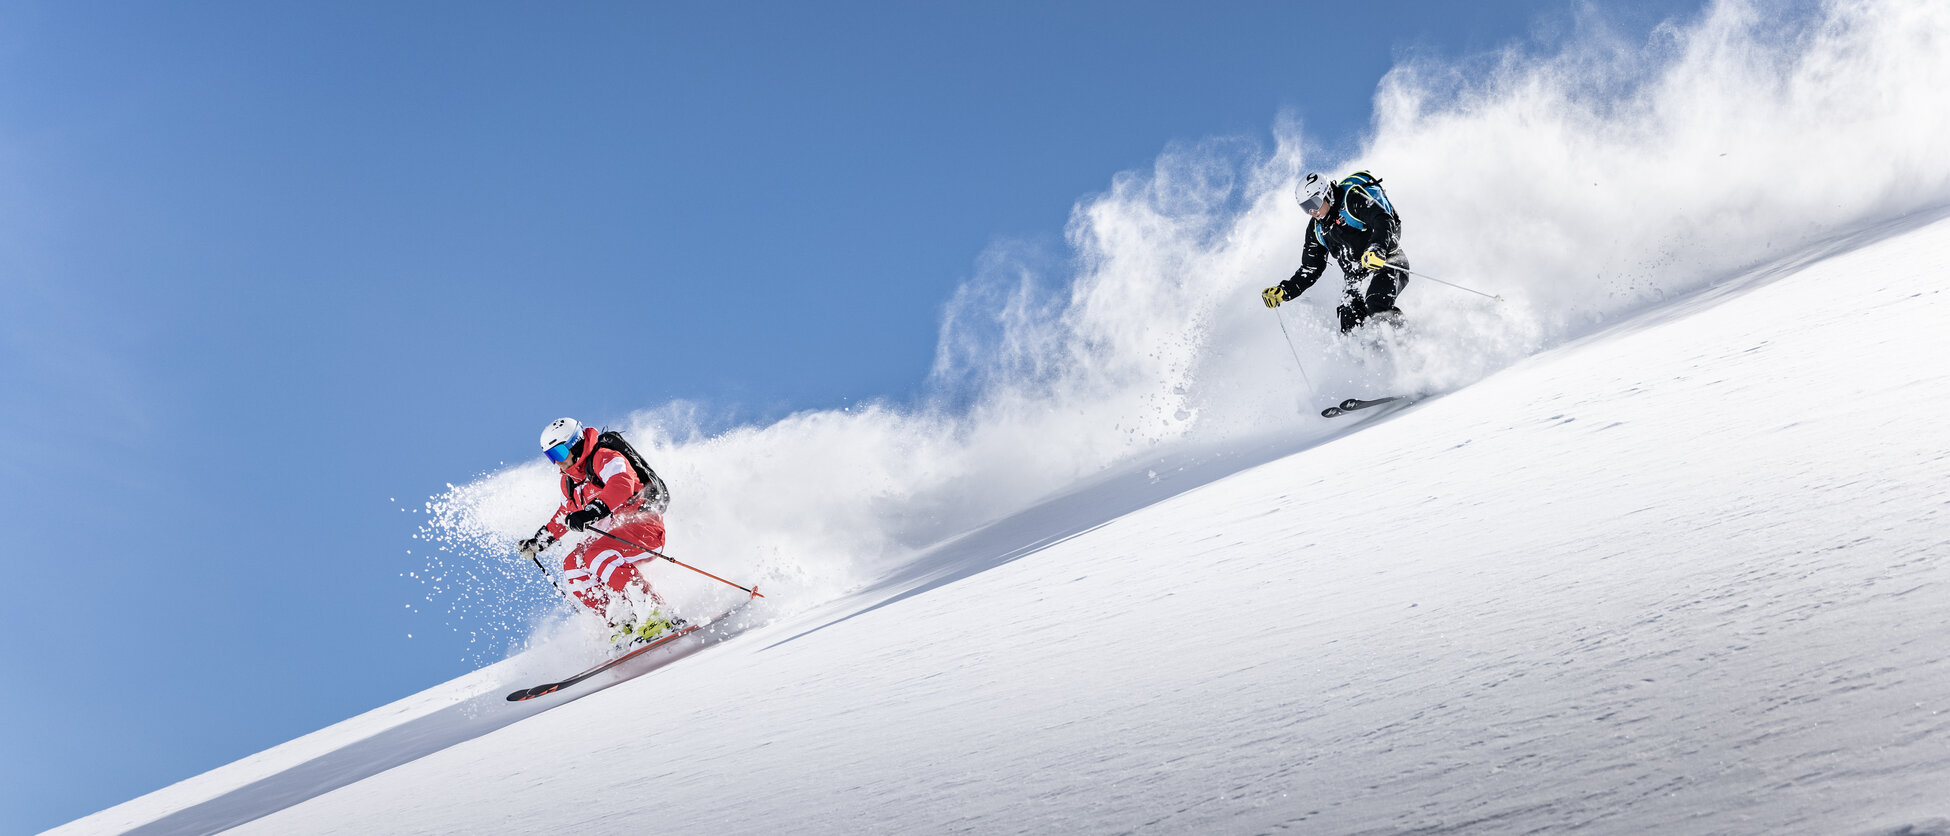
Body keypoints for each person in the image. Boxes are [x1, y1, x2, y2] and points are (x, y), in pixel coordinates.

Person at [517, 417, 676, 642]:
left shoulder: (605, 456)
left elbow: (621, 485)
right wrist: (537, 542)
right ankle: (622, 622)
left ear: (575, 444)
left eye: (560, 453)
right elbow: (563, 516)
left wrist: (591, 511)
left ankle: (656, 613)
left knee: (596, 555)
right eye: (551, 457)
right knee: (573, 565)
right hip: (614, 538)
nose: (557, 463)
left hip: (645, 528)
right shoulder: (570, 482)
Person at [1262, 170, 1411, 332]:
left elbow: (1382, 219)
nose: (1312, 211)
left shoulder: (1351, 200)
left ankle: (1407, 342)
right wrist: (1284, 291)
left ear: (1327, 194)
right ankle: (1369, 355)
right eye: (1306, 208)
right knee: (1349, 320)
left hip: (1387, 261)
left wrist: (1377, 248)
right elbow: (1311, 268)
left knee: (1376, 305)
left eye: (1314, 203)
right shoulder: (1316, 229)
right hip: (1357, 279)